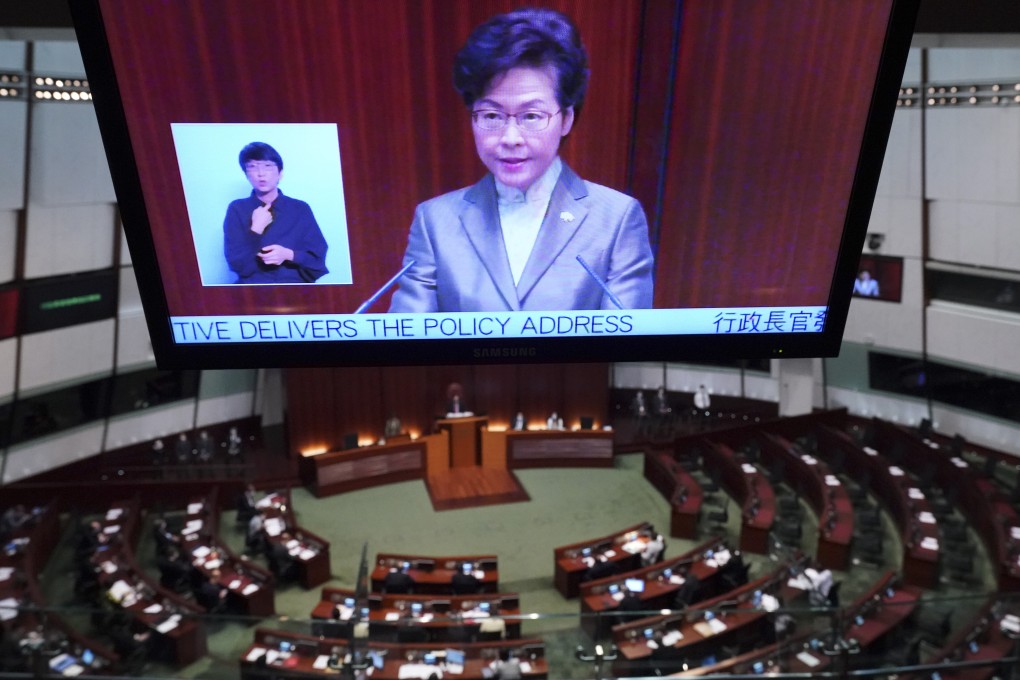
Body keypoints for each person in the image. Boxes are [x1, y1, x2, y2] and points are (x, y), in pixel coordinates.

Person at [388, 7, 654, 313]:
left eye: (531, 116)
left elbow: (626, 343)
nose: (510, 137)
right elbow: (409, 342)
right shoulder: (435, 221)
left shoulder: (616, 219)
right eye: (491, 115)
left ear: (566, 118)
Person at [223, 141, 328, 284]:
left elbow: (317, 261)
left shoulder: (300, 208)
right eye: (252, 167)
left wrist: (288, 255)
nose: (261, 174)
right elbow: (237, 265)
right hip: (253, 290)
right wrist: (255, 230)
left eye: (268, 166)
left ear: (280, 173)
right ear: (246, 175)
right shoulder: (237, 208)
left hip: (295, 288)